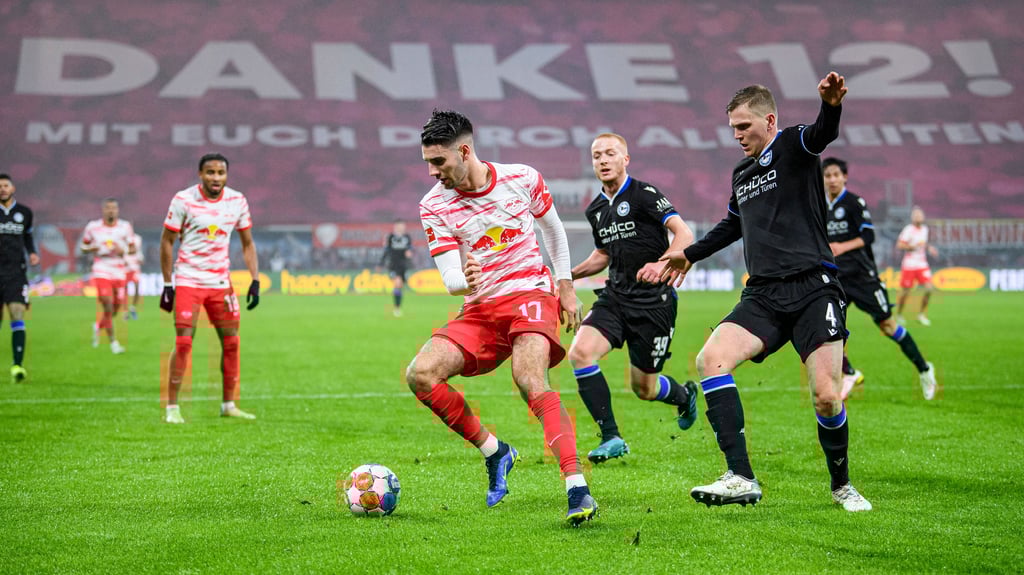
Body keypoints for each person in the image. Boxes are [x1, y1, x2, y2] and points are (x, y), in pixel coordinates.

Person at [656, 72, 872, 512]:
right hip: (764, 294)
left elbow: (823, 132)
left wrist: (831, 105)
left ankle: (842, 486)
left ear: (769, 120)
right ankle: (740, 477)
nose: (737, 135)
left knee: (827, 396)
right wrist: (690, 254)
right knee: (709, 360)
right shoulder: (741, 173)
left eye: (743, 126)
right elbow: (733, 224)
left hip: (815, 287)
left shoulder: (794, 144)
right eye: (732, 128)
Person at [406, 109, 597, 525]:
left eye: (439, 162)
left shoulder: (522, 178)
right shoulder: (433, 205)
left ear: (465, 150)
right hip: (480, 307)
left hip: (530, 294)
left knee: (529, 378)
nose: (432, 172)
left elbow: (553, 229)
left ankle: (576, 487)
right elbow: (450, 276)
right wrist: (464, 280)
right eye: (427, 163)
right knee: (420, 374)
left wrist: (564, 285)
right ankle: (496, 451)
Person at [568, 133, 699, 463]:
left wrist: (661, 263)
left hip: (654, 304)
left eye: (610, 153)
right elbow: (602, 254)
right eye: (597, 155)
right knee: (581, 353)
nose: (603, 160)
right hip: (614, 299)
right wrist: (567, 275)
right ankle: (611, 436)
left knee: (645, 389)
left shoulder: (644, 194)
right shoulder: (596, 209)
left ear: (626, 159)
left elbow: (684, 233)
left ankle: (684, 396)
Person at [823, 158, 937, 400]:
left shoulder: (854, 202)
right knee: (830, 329)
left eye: (835, 175)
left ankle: (925, 369)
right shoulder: (820, 206)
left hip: (863, 277)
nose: (831, 179)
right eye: (827, 175)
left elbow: (868, 236)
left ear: (844, 177)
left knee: (887, 326)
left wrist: (842, 247)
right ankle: (849, 374)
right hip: (836, 279)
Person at [160, 153, 260, 424]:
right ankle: (172, 408)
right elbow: (167, 241)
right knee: (183, 343)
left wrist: (255, 279)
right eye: (210, 172)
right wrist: (168, 284)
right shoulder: (183, 200)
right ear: (200, 174)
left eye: (220, 173)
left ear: (227, 175)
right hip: (189, 280)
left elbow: (248, 243)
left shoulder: (237, 201)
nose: (216, 178)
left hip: (220, 283)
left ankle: (228, 405)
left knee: (231, 342)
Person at [80, 198, 134, 355]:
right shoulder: (93, 227)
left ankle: (98, 326)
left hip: (119, 269)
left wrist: (122, 249)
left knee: (115, 308)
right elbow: (83, 247)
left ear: (117, 210)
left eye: (113, 208)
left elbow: (132, 249)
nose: (111, 211)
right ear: (103, 210)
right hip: (101, 268)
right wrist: (91, 248)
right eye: (108, 208)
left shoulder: (125, 227)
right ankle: (113, 343)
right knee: (108, 304)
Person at [0, 174, 40, 382]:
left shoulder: (24, 213)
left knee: (17, 314)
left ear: (13, 188)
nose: (2, 189)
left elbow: (28, 236)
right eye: (0, 186)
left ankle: (17, 365)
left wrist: (32, 252)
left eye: (6, 185)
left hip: (16, 272)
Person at [896, 206, 939, 326]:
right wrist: (911, 247)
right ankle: (899, 314)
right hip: (909, 265)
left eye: (920, 215)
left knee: (929, 289)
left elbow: (923, 243)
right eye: (916, 215)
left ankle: (921, 315)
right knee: (906, 292)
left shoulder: (925, 229)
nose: (918, 217)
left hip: (922, 264)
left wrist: (930, 248)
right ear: (912, 218)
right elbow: (899, 245)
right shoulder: (908, 230)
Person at [379, 220, 413, 317]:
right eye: (400, 226)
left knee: (400, 286)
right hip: (393, 265)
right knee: (397, 283)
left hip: (403, 265)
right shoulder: (391, 237)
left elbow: (410, 248)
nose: (402, 228)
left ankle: (397, 307)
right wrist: (381, 263)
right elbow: (386, 251)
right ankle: (396, 309)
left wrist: (409, 252)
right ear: (396, 227)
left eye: (403, 226)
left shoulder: (407, 237)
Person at [124, 232, 143, 320]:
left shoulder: (138, 238)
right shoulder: (122, 238)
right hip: (125, 268)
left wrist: (141, 258)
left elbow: (139, 252)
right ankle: (125, 312)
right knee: (124, 290)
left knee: (137, 288)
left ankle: (133, 308)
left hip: (135, 267)